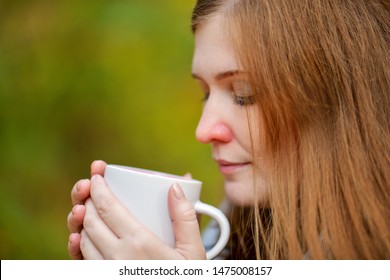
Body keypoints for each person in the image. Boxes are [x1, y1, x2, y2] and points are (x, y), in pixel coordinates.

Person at [67, 0, 390, 259]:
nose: (204, 130)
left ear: (336, 100)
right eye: (205, 93)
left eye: (243, 93)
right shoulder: (229, 240)